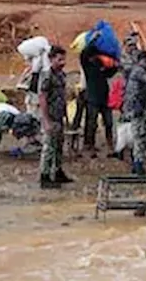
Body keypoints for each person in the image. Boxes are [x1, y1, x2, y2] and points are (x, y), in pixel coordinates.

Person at [38, 46, 72, 189]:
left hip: (58, 116)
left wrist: (66, 117)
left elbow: (62, 97)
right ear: (51, 59)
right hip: (50, 116)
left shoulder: (61, 75)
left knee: (58, 146)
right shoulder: (47, 75)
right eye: (59, 59)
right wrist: (46, 120)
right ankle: (44, 176)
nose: (63, 62)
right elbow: (43, 98)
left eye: (64, 59)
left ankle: (58, 171)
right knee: (49, 147)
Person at [79, 42, 117, 156]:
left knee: (108, 123)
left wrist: (114, 65)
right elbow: (83, 54)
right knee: (92, 123)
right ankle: (90, 146)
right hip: (93, 98)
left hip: (102, 97)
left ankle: (109, 146)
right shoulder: (87, 66)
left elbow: (110, 72)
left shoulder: (100, 65)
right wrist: (92, 41)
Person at [123, 50, 146, 175]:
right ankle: (138, 166)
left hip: (133, 107)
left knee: (138, 136)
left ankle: (136, 164)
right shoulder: (139, 71)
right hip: (136, 108)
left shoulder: (134, 70)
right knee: (140, 137)